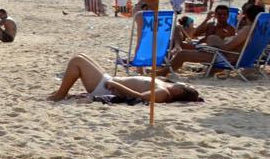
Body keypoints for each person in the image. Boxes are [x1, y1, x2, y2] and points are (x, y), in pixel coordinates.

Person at [48, 54, 202, 103]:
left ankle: (60, 94)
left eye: (184, 85)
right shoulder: (166, 85)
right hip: (110, 81)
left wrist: (117, 85)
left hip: (106, 87)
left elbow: (140, 96)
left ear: (180, 91)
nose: (183, 82)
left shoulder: (163, 93)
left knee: (77, 61)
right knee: (81, 57)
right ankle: (60, 93)